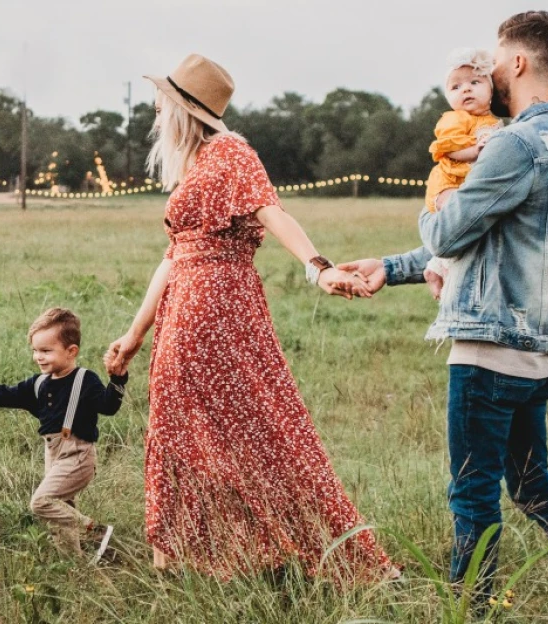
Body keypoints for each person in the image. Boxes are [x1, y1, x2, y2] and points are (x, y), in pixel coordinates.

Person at [340, 12, 548, 618]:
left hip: (490, 351)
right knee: (535, 484)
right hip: (541, 352)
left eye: (494, 61)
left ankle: (472, 609)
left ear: (517, 63)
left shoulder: (513, 143)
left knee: (472, 491)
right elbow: (488, 237)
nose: (485, 75)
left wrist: (431, 201)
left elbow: (452, 230)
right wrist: (392, 266)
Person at [103, 53, 394, 583]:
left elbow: (272, 210)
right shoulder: (194, 164)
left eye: (161, 101)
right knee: (183, 428)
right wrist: (134, 333)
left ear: (183, 108)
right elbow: (173, 256)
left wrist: (318, 267)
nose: (153, 109)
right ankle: (186, 555)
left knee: (256, 428)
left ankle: (289, 549)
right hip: (186, 306)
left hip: (216, 306)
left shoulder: (230, 152)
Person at [0, 308, 124, 563]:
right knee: (60, 516)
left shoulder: (85, 380)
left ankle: (94, 531)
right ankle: (75, 567)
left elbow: (109, 406)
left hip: (78, 455)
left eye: (46, 351)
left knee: (42, 502)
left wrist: (118, 378)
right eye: (35, 350)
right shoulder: (38, 384)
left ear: (71, 351)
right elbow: (5, 394)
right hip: (53, 455)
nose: (39, 357)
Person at [423, 48, 503, 299]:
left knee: (469, 227)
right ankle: (440, 269)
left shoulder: (493, 121)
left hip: (466, 182)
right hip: (448, 182)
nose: (466, 90)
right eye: (456, 87)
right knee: (458, 219)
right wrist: (474, 151)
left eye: (475, 82)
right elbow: (449, 148)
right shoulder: (455, 119)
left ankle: (437, 267)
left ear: (491, 90)